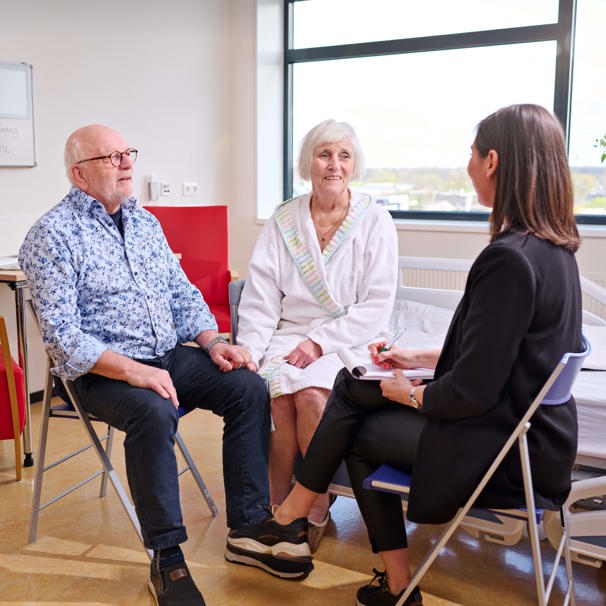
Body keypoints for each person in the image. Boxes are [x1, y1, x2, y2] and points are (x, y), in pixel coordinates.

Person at [265, 104, 583, 606]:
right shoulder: (554, 249)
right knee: (353, 385)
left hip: (503, 452)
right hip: (535, 438)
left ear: (493, 162)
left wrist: (410, 393)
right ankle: (310, 510)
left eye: (472, 155)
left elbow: (472, 389)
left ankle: (310, 521)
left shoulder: (508, 259)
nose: (468, 166)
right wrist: (414, 358)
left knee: (356, 427)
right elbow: (501, 355)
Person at [18, 124, 314, 606]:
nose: (127, 163)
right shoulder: (51, 235)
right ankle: (168, 558)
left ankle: (248, 526)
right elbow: (62, 340)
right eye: (111, 158)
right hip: (103, 372)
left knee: (247, 386)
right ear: (80, 174)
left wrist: (212, 342)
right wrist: (135, 372)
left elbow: (181, 293)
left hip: (168, 355)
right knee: (154, 413)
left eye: (127, 153)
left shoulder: (144, 222)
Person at [236, 119, 398, 550]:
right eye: (325, 154)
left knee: (310, 396)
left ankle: (315, 504)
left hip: (348, 337)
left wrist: (320, 343)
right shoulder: (284, 219)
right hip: (288, 333)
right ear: (308, 161)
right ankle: (276, 508)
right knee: (275, 395)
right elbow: (262, 295)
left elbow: (376, 305)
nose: (334, 164)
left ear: (354, 164)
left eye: (344, 155)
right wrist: (249, 351)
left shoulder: (375, 219)